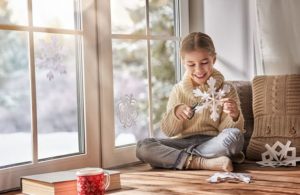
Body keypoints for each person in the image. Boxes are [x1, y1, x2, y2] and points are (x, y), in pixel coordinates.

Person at [136, 32, 245, 172]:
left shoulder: (227, 89)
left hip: (212, 142)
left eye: (204, 62)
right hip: (181, 143)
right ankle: (202, 163)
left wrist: (234, 115)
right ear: (183, 62)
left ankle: (181, 159)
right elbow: (168, 131)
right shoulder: (178, 91)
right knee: (143, 146)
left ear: (214, 59)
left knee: (235, 137)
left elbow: (229, 131)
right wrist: (176, 114)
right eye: (191, 64)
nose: (198, 69)